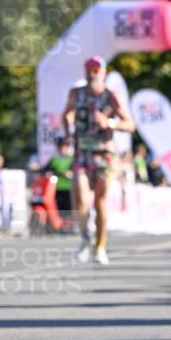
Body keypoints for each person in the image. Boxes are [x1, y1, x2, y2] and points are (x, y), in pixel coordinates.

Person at [62, 56, 135, 265]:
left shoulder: (111, 96)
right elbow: (65, 114)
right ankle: (85, 238)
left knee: (100, 201)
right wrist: (67, 132)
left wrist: (110, 123)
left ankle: (100, 246)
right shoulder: (76, 94)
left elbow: (130, 124)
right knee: (81, 201)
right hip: (82, 153)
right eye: (89, 68)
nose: (92, 72)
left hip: (105, 154)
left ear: (103, 72)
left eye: (96, 69)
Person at [46, 136, 74, 217]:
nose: (64, 148)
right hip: (56, 189)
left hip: (69, 189)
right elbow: (46, 170)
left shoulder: (72, 159)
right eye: (62, 146)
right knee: (57, 210)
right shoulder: (54, 159)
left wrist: (70, 174)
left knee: (69, 211)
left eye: (66, 146)